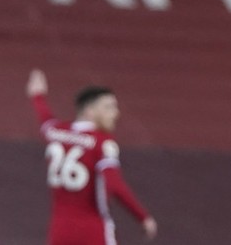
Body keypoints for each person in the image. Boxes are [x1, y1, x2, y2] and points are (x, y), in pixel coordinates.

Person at [26, 69, 158, 245]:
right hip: (92, 231)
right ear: (89, 111)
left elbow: (44, 117)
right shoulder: (102, 143)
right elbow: (115, 185)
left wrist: (37, 95)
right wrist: (143, 217)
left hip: (59, 232)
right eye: (108, 107)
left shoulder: (55, 132)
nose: (116, 113)